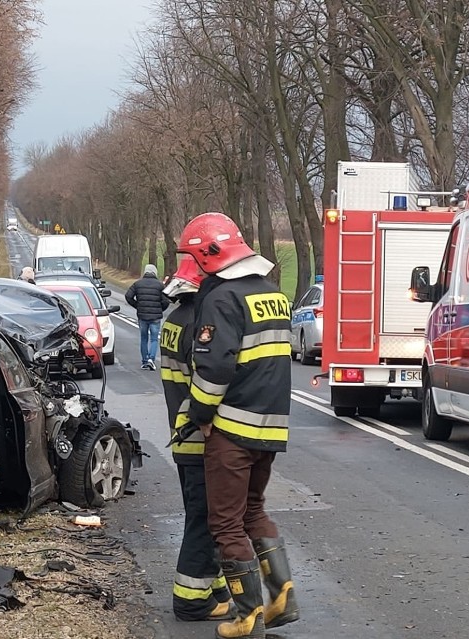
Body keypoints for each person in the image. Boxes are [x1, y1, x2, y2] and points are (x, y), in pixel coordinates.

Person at [177, 212, 298, 638]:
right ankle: (282, 593)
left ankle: (247, 616)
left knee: (226, 524)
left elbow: (213, 369)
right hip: (270, 426)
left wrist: (200, 417)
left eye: (196, 256)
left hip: (231, 429)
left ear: (211, 253)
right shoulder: (272, 293)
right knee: (254, 511)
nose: (196, 266)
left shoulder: (221, 298)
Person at [159, 255, 235, 622]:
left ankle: (215, 587)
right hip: (201, 438)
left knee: (203, 517)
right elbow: (208, 378)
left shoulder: (173, 319)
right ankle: (190, 601)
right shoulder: (199, 322)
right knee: (204, 521)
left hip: (181, 434)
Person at [125, 263, 169, 370]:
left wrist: (137, 306)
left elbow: (128, 296)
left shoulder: (137, 284)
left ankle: (144, 361)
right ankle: (151, 359)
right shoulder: (160, 285)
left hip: (142, 316)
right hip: (155, 318)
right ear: (155, 272)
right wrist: (160, 309)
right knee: (154, 339)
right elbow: (166, 301)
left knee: (144, 338)